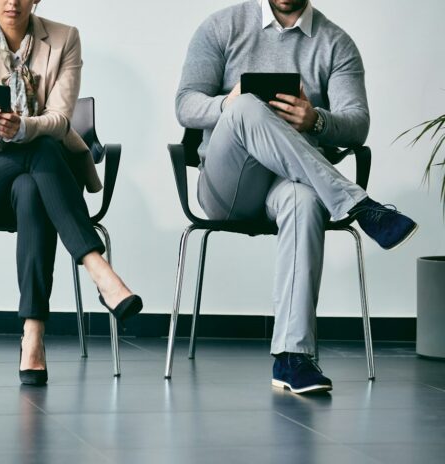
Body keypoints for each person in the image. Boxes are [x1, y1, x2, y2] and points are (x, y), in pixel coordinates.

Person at [177, 0, 419, 394]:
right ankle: (358, 204)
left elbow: (357, 122)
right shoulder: (222, 26)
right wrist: (229, 103)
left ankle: (292, 357)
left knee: (306, 202)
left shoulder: (335, 43)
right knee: (248, 108)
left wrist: (316, 119)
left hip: (290, 183)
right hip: (228, 187)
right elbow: (185, 105)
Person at [0, 0, 142, 386]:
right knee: (39, 150)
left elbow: (60, 120)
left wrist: (22, 127)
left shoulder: (64, 38)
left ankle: (33, 337)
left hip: (41, 182)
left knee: (33, 178)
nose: (12, 2)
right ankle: (98, 269)